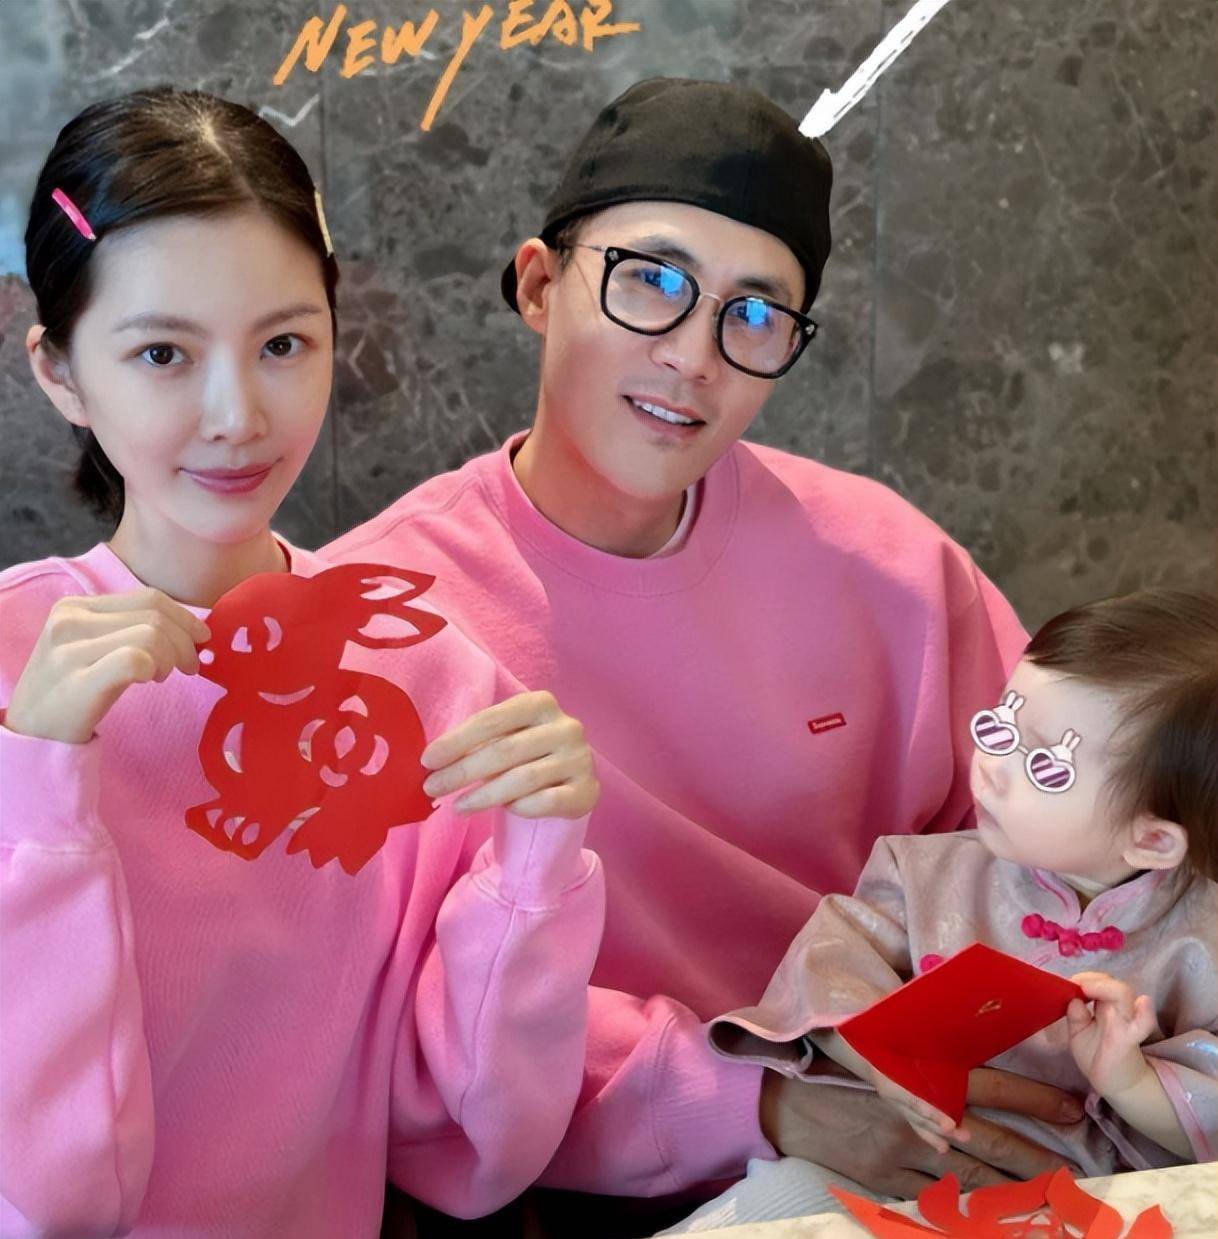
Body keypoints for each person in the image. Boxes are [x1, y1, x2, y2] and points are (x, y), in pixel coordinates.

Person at [324, 78, 1081, 1216]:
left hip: (911, 1132)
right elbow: (394, 1030)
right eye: (653, 281)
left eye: (756, 314)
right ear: (538, 286)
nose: (694, 355)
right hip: (565, 1185)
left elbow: (1064, 858)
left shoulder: (892, 566)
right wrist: (761, 1104)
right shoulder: (380, 617)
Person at [0, 87, 607, 1238]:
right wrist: (36, 793)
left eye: (283, 344)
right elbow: (47, 1195)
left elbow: (466, 1147)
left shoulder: (431, 681)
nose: (237, 414)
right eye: (163, 353)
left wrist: (537, 870)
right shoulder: (11, 670)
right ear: (61, 372)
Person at [685, 590, 1217, 1230]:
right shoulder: (920, 873)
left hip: (1092, 1195)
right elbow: (827, 972)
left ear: (1152, 840)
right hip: (878, 1163)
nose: (992, 768)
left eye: (1044, 767)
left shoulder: (1202, 942)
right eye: (999, 725)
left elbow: (1203, 1137)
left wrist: (1131, 1080)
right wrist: (883, 1062)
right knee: (770, 1207)